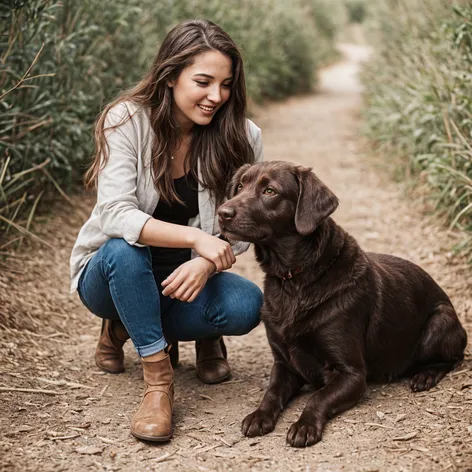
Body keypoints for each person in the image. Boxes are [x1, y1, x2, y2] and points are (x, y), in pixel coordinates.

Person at [69, 19, 263, 442]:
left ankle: (133, 326)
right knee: (125, 249)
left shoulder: (242, 136)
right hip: (111, 273)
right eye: (203, 81)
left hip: (181, 280)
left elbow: (244, 228)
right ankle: (158, 381)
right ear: (170, 75)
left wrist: (205, 266)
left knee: (246, 305)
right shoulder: (126, 120)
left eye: (226, 84)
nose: (216, 96)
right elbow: (116, 215)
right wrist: (197, 238)